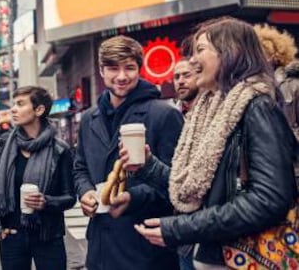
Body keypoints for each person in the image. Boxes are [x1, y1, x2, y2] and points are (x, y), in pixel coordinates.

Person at [116, 17, 297, 268]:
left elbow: (269, 199)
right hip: (211, 255)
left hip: (245, 258)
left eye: (200, 50)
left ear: (230, 53)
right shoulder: (211, 109)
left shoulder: (257, 107)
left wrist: (181, 228)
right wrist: (149, 167)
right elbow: (201, 188)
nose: (192, 60)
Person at [73, 35, 183, 270]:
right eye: (113, 68)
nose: (121, 76)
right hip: (99, 248)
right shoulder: (88, 119)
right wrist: (85, 192)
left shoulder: (164, 115)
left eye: (129, 68)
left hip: (145, 248)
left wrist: (133, 198)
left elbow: (179, 183)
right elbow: (80, 168)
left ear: (139, 70)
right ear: (101, 71)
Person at [0, 86, 76, 270]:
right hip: (12, 235)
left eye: (20, 104)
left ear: (39, 110)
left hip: (48, 236)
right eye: (13, 104)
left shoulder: (60, 150)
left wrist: (46, 201)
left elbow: (70, 197)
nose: (13, 109)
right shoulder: (5, 144)